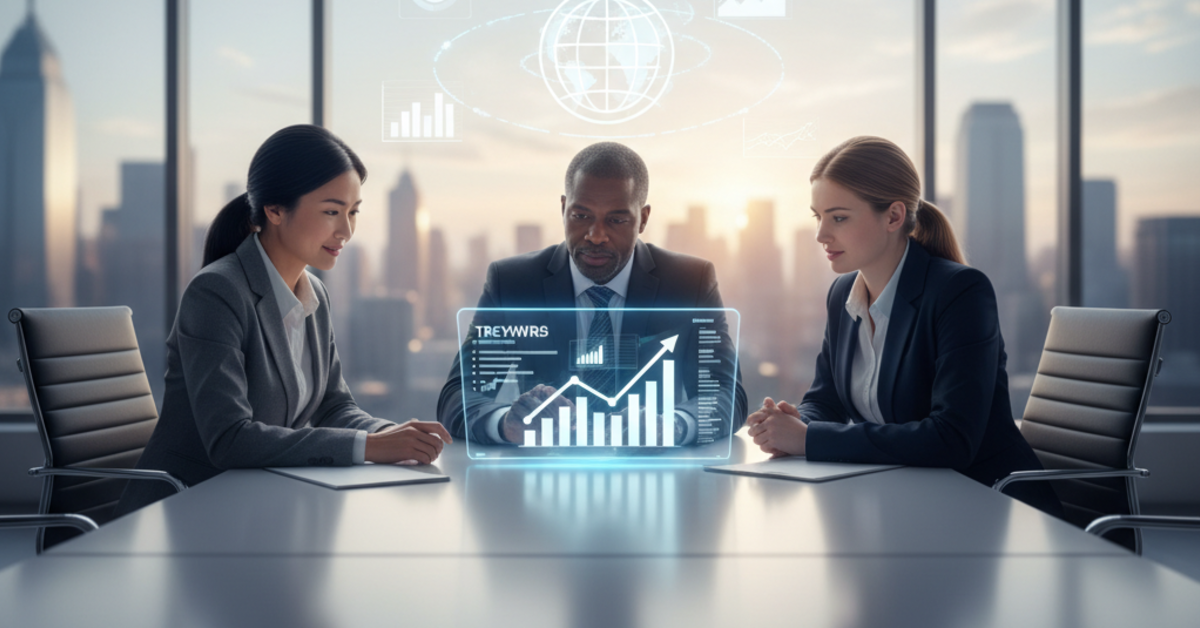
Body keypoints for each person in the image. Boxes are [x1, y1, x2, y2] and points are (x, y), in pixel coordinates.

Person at [116, 125, 451, 516]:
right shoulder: (216, 293)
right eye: (331, 212)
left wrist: (389, 434)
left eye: (353, 212)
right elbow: (229, 439)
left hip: (258, 504)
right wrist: (369, 447)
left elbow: (333, 406)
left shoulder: (314, 294)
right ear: (274, 210)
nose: (346, 231)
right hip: (186, 507)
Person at [746, 136, 1060, 514]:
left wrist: (809, 439)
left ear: (894, 217)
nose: (821, 235)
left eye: (839, 218)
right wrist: (793, 423)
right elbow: (826, 400)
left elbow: (951, 439)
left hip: (987, 504)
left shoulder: (960, 292)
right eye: (819, 217)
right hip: (903, 501)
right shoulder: (842, 294)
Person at [437, 142, 747, 447]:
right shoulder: (513, 283)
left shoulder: (689, 283)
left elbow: (725, 393)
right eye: (581, 216)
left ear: (643, 219)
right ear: (563, 209)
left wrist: (672, 426)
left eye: (616, 220)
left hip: (651, 468)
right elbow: (459, 394)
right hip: (546, 471)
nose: (596, 236)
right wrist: (506, 424)